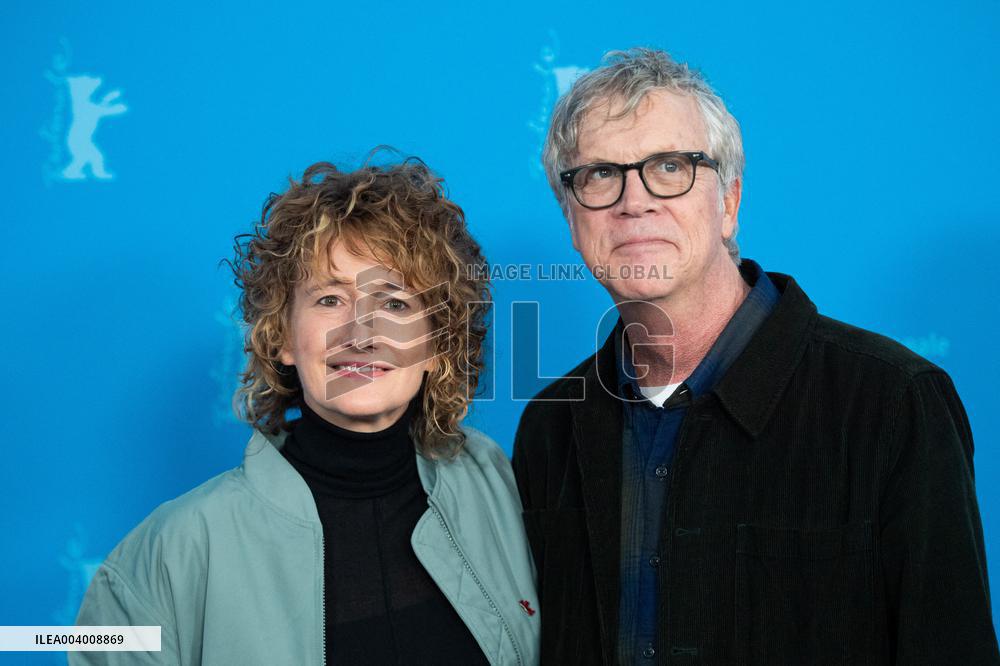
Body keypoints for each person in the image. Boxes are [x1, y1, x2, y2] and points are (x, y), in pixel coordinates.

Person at [511, 48, 999, 665]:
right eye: (600, 175)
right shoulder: (552, 424)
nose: (634, 202)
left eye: (670, 167)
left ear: (730, 200)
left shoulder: (892, 402)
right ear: (572, 215)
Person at [74, 157, 539, 665]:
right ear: (283, 337)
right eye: (330, 299)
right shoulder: (170, 552)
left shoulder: (495, 484)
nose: (361, 335)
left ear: (435, 346)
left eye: (396, 304)